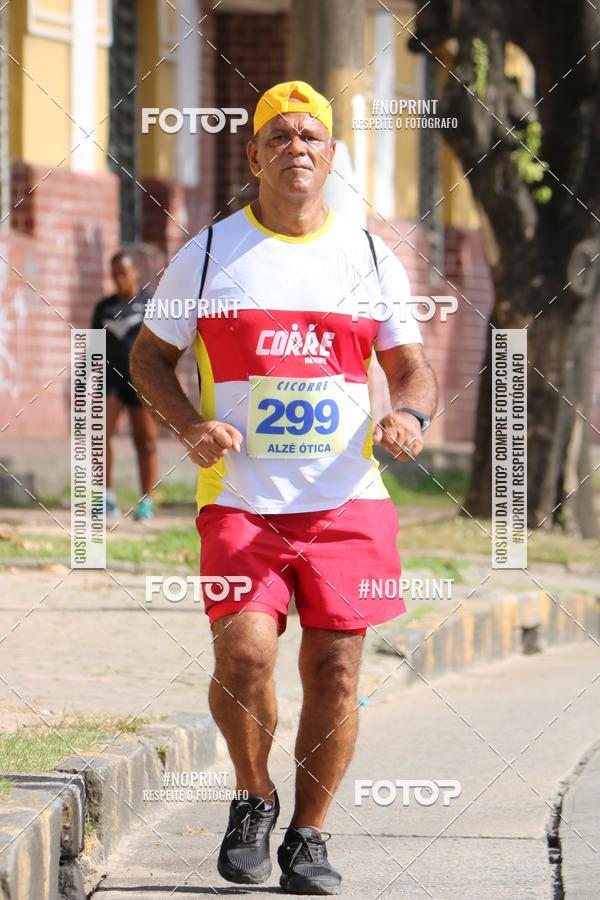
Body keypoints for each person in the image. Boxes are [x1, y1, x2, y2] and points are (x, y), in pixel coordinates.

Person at [131, 80, 438, 895]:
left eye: (311, 137)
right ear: (255, 152)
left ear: (331, 155)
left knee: (336, 669)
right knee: (245, 652)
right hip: (241, 499)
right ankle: (252, 796)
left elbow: (411, 370)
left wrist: (407, 416)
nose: (296, 148)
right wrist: (191, 425)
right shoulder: (206, 254)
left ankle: (309, 836)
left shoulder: (370, 256)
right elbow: (146, 359)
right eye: (280, 136)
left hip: (348, 501)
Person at [91, 251, 158, 520]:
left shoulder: (150, 303)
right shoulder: (104, 307)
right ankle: (105, 498)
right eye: (114, 273)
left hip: (143, 381)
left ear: (135, 273)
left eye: (124, 272)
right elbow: (93, 346)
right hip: (111, 379)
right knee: (99, 434)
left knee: (147, 442)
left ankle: (146, 502)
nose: (119, 279)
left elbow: (162, 346)